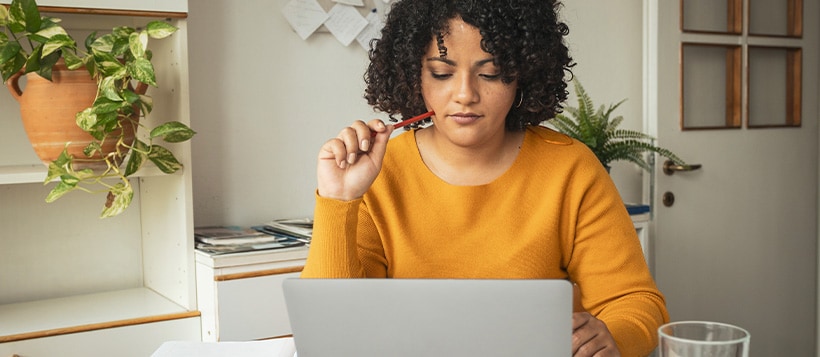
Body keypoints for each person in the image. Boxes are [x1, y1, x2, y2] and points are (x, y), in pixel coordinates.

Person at [300, 0, 669, 355]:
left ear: (523, 74)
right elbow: (330, 331)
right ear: (415, 74)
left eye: (491, 73)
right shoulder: (380, 173)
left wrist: (615, 339)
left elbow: (635, 302)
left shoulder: (571, 169)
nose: (465, 94)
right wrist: (339, 198)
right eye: (442, 73)